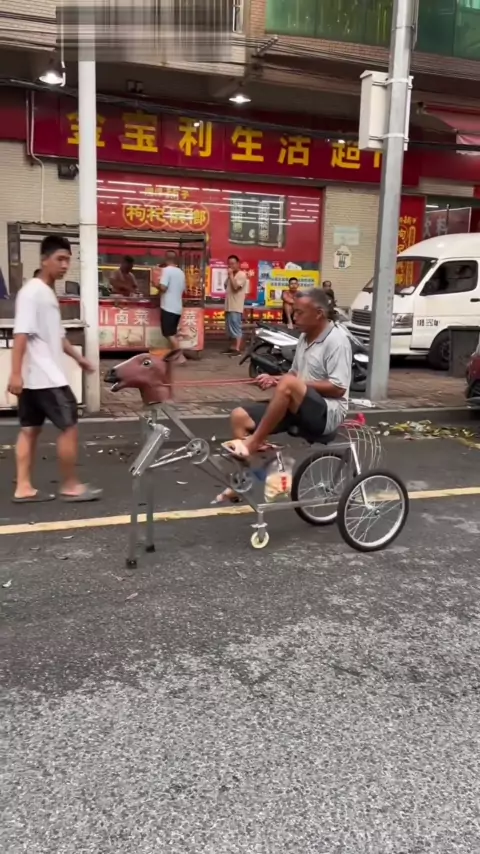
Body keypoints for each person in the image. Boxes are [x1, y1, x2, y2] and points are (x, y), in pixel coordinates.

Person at [7, 234, 102, 503]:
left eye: (68, 260)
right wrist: (15, 373)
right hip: (47, 378)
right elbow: (21, 334)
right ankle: (70, 485)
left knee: (30, 430)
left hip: (35, 378)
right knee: (69, 427)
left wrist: (79, 358)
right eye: (60, 259)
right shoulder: (33, 293)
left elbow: (57, 336)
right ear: (44, 260)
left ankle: (23, 487)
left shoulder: (46, 293)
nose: (64, 266)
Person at [227, 287, 351, 459]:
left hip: (327, 414)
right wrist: (273, 379)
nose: (294, 317)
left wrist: (291, 384)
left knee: (288, 383)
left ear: (318, 313)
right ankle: (247, 472)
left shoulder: (337, 340)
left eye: (299, 313)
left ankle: (255, 441)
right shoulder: (304, 337)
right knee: (239, 417)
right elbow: (293, 376)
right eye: (294, 312)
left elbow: (338, 388)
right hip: (299, 405)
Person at [159, 250, 186, 358]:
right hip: (178, 307)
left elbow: (163, 287)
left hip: (168, 307)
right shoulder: (181, 272)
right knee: (172, 333)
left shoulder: (166, 271)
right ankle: (176, 356)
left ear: (166, 258)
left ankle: (179, 356)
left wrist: (156, 284)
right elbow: (184, 289)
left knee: (168, 333)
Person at [224, 254, 248, 355]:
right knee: (229, 328)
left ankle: (238, 349)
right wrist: (229, 276)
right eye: (229, 264)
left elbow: (235, 287)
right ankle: (232, 347)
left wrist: (230, 275)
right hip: (228, 305)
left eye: (233, 263)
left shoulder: (242, 275)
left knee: (236, 327)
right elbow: (225, 286)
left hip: (236, 306)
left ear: (238, 264)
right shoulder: (231, 275)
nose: (231, 266)